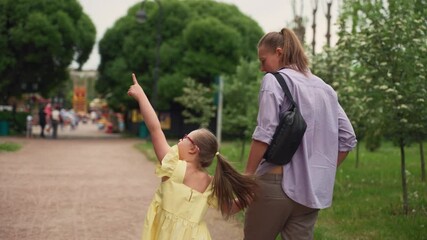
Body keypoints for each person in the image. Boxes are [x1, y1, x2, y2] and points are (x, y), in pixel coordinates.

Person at [243, 28, 357, 240]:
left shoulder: (274, 80)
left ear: (278, 52)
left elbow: (264, 133)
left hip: (275, 185)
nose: (262, 68)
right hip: (310, 193)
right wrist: (318, 172)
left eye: (263, 60)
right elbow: (348, 138)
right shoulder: (326, 89)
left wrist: (247, 177)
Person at [127, 73, 257, 240]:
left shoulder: (174, 167)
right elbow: (229, 208)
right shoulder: (210, 182)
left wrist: (141, 95)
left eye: (186, 137)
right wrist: (247, 198)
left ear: (193, 149)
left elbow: (154, 128)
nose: (181, 139)